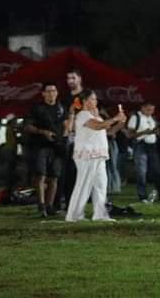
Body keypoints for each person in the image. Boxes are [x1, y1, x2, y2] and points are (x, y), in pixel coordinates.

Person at [66, 91, 125, 222]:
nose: (95, 102)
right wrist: (115, 118)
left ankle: (100, 214)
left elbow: (107, 131)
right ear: (85, 101)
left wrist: (120, 123)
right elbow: (97, 126)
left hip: (98, 155)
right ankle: (74, 215)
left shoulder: (95, 116)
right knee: (83, 185)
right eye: (92, 99)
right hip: (87, 155)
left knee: (101, 185)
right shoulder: (82, 115)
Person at [21, 83, 66, 217]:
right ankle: (41, 206)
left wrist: (65, 133)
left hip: (57, 147)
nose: (52, 93)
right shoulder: (37, 108)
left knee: (54, 177)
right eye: (49, 91)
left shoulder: (61, 108)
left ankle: (50, 206)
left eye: (54, 90)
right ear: (43, 94)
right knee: (40, 175)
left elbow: (66, 124)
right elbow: (27, 126)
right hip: (40, 146)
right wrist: (42, 132)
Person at [59, 69, 90, 209]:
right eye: (68, 78)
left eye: (73, 77)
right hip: (71, 136)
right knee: (68, 169)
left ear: (80, 79)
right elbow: (63, 117)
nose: (70, 80)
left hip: (86, 136)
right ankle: (68, 199)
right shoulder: (64, 98)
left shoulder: (87, 95)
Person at [127, 101, 160, 203]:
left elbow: (155, 132)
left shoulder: (151, 118)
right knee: (141, 172)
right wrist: (145, 132)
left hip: (152, 146)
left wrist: (156, 133)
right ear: (142, 108)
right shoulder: (135, 117)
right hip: (141, 145)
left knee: (157, 171)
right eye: (149, 109)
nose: (151, 112)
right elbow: (130, 134)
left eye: (152, 110)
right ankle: (143, 196)